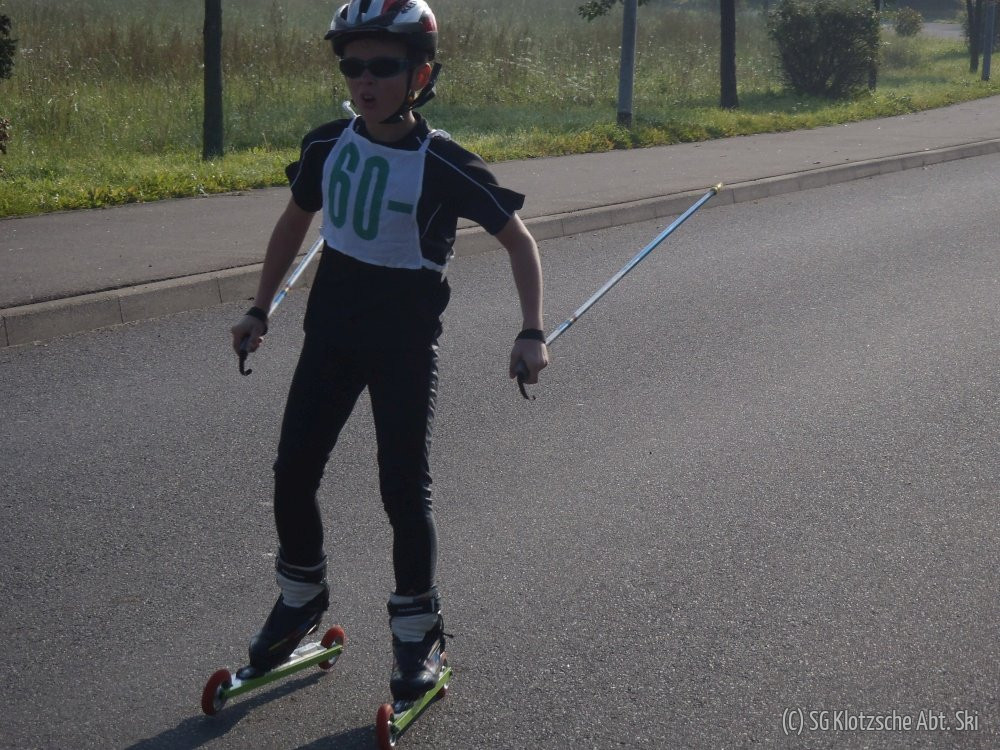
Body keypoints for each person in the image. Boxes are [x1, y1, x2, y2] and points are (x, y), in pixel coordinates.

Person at [229, 0, 547, 702]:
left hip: (403, 349)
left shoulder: (444, 164)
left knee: (402, 492)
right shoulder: (326, 145)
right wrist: (259, 306)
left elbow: (519, 241)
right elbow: (293, 222)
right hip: (330, 339)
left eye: (382, 66)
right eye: (352, 66)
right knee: (292, 474)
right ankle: (301, 599)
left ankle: (417, 634)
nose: (364, 81)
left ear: (420, 75)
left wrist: (531, 330)